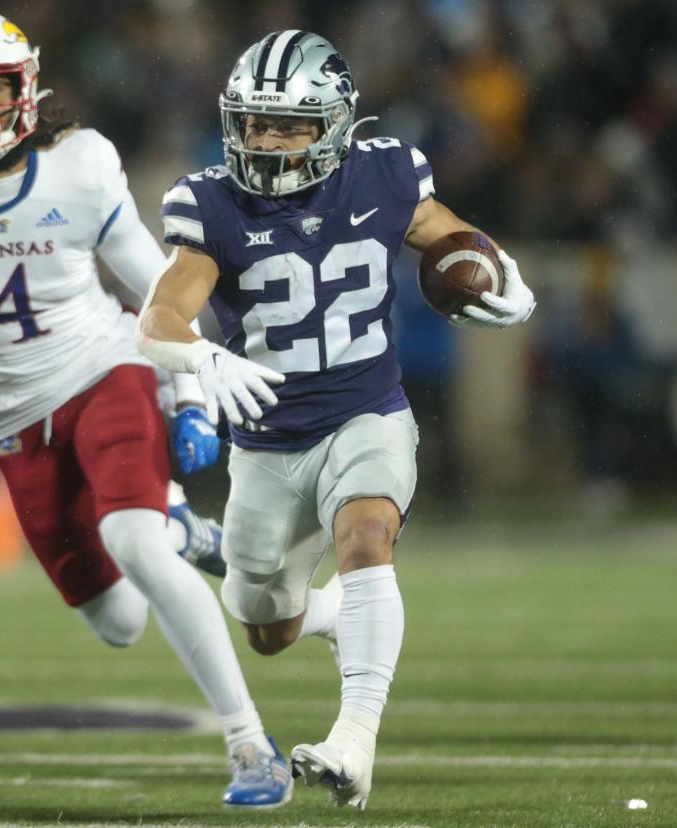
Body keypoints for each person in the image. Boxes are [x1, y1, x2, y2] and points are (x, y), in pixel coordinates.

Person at [0, 7, 291, 808]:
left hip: (103, 370)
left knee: (133, 539)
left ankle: (249, 744)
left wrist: (187, 393)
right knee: (118, 621)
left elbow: (154, 291)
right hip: (11, 419)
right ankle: (180, 529)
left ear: (24, 87)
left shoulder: (78, 164)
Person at [137, 31, 536, 810]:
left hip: (367, 413)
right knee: (265, 625)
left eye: (288, 125)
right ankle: (308, 605)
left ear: (335, 124)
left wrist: (499, 272)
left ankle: (354, 740)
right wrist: (204, 360)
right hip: (266, 444)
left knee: (365, 536)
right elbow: (157, 321)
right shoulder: (211, 201)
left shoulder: (384, 172)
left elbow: (453, 237)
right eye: (255, 123)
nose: (266, 141)